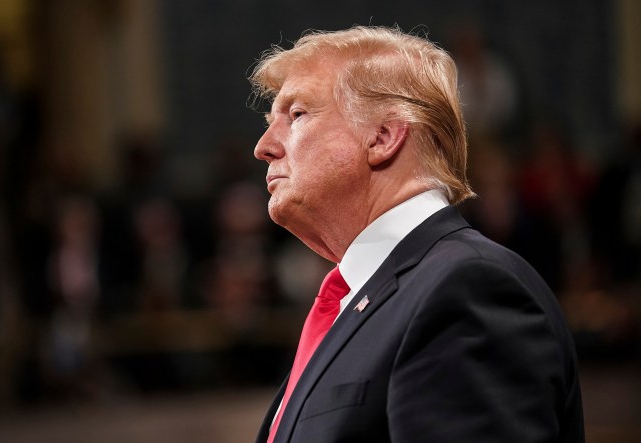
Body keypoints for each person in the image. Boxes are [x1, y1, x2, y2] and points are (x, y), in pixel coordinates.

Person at [248, 26, 584, 443]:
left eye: (296, 115)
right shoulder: (362, 299)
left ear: (384, 137)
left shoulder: (466, 288)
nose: (264, 146)